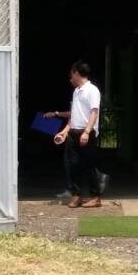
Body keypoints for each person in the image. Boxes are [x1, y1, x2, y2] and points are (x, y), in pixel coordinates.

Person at [47, 62, 103, 208]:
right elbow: (74, 114)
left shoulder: (92, 90)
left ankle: (95, 196)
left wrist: (87, 132)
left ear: (76, 73)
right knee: (72, 165)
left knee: (88, 165)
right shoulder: (76, 91)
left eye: (71, 73)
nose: (70, 76)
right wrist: (65, 131)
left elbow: (94, 112)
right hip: (73, 132)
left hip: (86, 132)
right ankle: (76, 195)